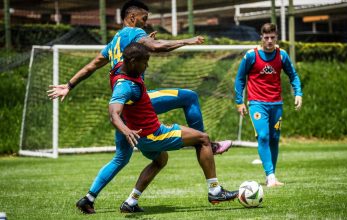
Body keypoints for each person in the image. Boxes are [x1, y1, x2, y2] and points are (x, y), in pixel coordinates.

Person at [47, 0, 232, 214]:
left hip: (124, 107)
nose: (146, 24)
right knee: (189, 97)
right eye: (144, 20)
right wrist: (187, 40)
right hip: (135, 97)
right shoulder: (132, 33)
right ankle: (208, 144)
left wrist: (69, 85)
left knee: (122, 157)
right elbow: (157, 47)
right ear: (132, 18)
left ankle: (90, 197)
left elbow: (91, 66)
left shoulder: (115, 41)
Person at [107, 42, 238, 212]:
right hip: (153, 134)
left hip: (143, 137)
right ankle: (215, 191)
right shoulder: (124, 86)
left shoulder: (119, 67)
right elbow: (114, 114)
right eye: (144, 62)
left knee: (160, 160)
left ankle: (130, 202)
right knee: (203, 139)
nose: (147, 66)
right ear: (132, 62)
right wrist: (126, 131)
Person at [234, 23, 303, 187]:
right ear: (261, 38)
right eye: (266, 38)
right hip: (257, 104)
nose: (270, 41)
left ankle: (271, 176)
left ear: (276, 37)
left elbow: (293, 76)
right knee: (263, 136)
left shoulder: (282, 55)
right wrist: (239, 101)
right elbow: (240, 78)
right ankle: (270, 177)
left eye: (273, 37)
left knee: (274, 138)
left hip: (276, 104)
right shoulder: (251, 55)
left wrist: (298, 93)